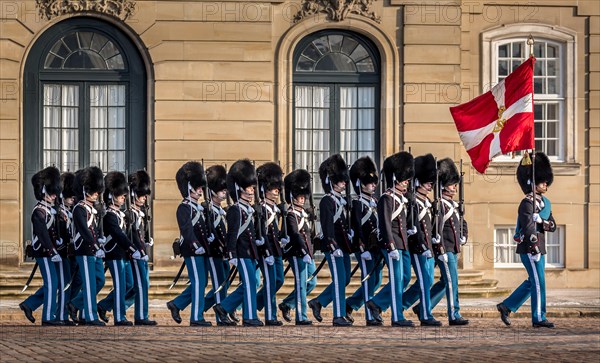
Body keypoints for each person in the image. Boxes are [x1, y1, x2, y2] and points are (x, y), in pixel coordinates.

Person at [497, 152, 556, 328]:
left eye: (546, 181)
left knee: (534, 281)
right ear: (532, 181)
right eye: (542, 180)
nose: (545, 184)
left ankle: (506, 306)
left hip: (540, 248)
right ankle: (538, 317)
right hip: (530, 248)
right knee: (539, 282)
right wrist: (534, 247)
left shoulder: (546, 203)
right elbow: (528, 227)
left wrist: (542, 221)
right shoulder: (526, 203)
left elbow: (552, 225)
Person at [414, 158, 469, 326]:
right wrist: (440, 248)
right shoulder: (438, 205)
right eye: (452, 184)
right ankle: (454, 313)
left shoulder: (453, 204)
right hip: (443, 249)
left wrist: (464, 236)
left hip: (453, 247)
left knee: (447, 282)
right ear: (444, 185)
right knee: (452, 281)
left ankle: (424, 305)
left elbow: (462, 223)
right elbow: (435, 228)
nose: (454, 187)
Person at [366, 151, 415, 327]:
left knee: (405, 278)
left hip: (403, 244)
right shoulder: (387, 198)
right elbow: (385, 224)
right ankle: (397, 316)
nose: (407, 182)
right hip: (392, 244)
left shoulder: (402, 199)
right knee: (396, 279)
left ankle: (377, 303)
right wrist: (391, 245)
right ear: (396, 178)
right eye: (404, 179)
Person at [213, 159, 264, 327]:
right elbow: (232, 233)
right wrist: (231, 253)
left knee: (252, 283)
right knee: (249, 283)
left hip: (250, 251)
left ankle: (223, 306)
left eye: (252, 188)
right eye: (249, 188)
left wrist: (258, 241)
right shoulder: (235, 209)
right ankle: (249, 316)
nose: (251, 191)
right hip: (241, 252)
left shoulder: (249, 209)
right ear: (240, 189)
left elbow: (251, 232)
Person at [308, 154, 353, 327]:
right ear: (331, 180)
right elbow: (327, 227)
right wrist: (333, 245)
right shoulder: (327, 201)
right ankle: (338, 314)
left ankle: (318, 302)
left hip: (344, 246)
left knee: (346, 278)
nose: (343, 183)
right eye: (340, 180)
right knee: (340, 280)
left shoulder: (342, 200)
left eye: (344, 180)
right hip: (333, 246)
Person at [19, 166, 64, 326]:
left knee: (55, 283)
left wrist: (58, 240)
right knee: (52, 283)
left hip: (50, 252)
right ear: (43, 190)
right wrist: (52, 251)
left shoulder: (50, 210)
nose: (54, 195)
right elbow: (43, 235)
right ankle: (48, 316)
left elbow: (53, 231)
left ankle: (30, 304)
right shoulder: (39, 211)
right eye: (51, 191)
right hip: (44, 252)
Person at [402, 154, 442, 326]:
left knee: (428, 280)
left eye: (431, 183)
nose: (429, 186)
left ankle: (397, 304)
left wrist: (435, 239)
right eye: (427, 183)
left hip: (428, 248)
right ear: (418, 181)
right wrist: (422, 244)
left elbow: (430, 225)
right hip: (418, 247)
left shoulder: (427, 201)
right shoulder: (412, 201)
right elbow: (414, 226)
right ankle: (425, 314)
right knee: (425, 280)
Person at [171, 162, 212, 326]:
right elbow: (187, 231)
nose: (201, 191)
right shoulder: (184, 207)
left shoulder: (198, 207)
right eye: (198, 188)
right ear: (190, 187)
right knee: (198, 282)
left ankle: (177, 304)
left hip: (201, 250)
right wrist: (197, 245)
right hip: (192, 250)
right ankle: (196, 317)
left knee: (201, 282)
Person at [97, 171, 139, 326]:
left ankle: (104, 305)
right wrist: (132, 248)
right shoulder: (109, 215)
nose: (123, 197)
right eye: (120, 194)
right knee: (120, 285)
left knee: (130, 284)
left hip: (123, 254)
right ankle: (120, 317)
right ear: (112, 195)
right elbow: (117, 234)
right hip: (114, 253)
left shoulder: (120, 214)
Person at [345, 156, 383, 326]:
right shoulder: (357, 203)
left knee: (377, 280)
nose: (373, 185)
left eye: (374, 183)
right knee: (369, 280)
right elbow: (357, 227)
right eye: (370, 183)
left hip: (375, 246)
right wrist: (362, 248)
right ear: (361, 183)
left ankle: (351, 304)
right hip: (364, 248)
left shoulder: (375, 201)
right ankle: (370, 315)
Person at [70, 166, 107, 326]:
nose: (97, 193)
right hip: (85, 250)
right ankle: (90, 316)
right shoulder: (79, 209)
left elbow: (96, 229)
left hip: (95, 250)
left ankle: (75, 304)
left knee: (99, 280)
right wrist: (95, 246)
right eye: (94, 190)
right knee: (89, 282)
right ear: (86, 189)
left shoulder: (94, 208)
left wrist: (101, 241)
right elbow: (85, 231)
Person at [281, 169, 314, 325]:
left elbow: (309, 234)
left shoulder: (304, 213)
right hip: (297, 253)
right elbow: (295, 234)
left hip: (307, 253)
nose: (302, 198)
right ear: (292, 196)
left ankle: (287, 304)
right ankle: (301, 316)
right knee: (301, 283)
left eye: (303, 196)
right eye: (299, 196)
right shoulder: (290, 214)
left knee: (311, 282)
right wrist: (303, 251)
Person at [255, 162, 286, 326]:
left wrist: (283, 239)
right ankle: (270, 315)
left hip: (276, 249)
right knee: (270, 281)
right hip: (266, 250)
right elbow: (262, 232)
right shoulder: (261, 208)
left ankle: (254, 303)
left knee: (279, 280)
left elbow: (275, 230)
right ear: (265, 188)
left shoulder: (276, 208)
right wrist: (266, 252)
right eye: (274, 188)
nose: (277, 191)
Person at [127, 170, 157, 326]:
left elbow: (142, 232)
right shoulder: (130, 212)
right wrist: (140, 249)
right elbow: (133, 233)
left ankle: (104, 306)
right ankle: (140, 315)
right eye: (142, 195)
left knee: (144, 284)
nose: (145, 198)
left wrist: (147, 239)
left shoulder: (141, 211)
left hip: (142, 251)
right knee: (140, 284)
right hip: (135, 253)